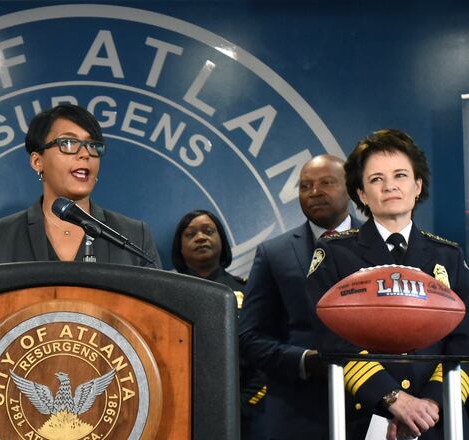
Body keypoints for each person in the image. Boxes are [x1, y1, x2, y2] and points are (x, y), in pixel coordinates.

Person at [306, 129, 469, 440]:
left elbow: (465, 340)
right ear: (363, 195)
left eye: (400, 175)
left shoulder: (449, 255)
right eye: (376, 179)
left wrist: (430, 404)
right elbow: (332, 339)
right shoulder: (333, 254)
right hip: (363, 418)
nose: (390, 185)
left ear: (417, 186)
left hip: (441, 421)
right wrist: (394, 399)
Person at [239, 154, 362, 440]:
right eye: (305, 186)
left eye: (326, 183)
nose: (314, 192)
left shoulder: (382, 245)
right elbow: (249, 337)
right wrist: (304, 361)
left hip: (371, 409)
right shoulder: (273, 253)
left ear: (352, 188)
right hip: (298, 412)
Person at [0, 103, 161, 267]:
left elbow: (155, 306)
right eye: (68, 143)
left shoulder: (135, 236)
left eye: (92, 146)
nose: (85, 153)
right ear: (37, 161)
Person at [172, 209, 267, 440]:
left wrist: (240, 407)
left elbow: (264, 356)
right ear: (179, 248)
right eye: (191, 234)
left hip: (245, 417)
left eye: (208, 231)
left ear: (222, 241)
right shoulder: (167, 294)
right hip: (180, 413)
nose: (201, 238)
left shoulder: (248, 291)